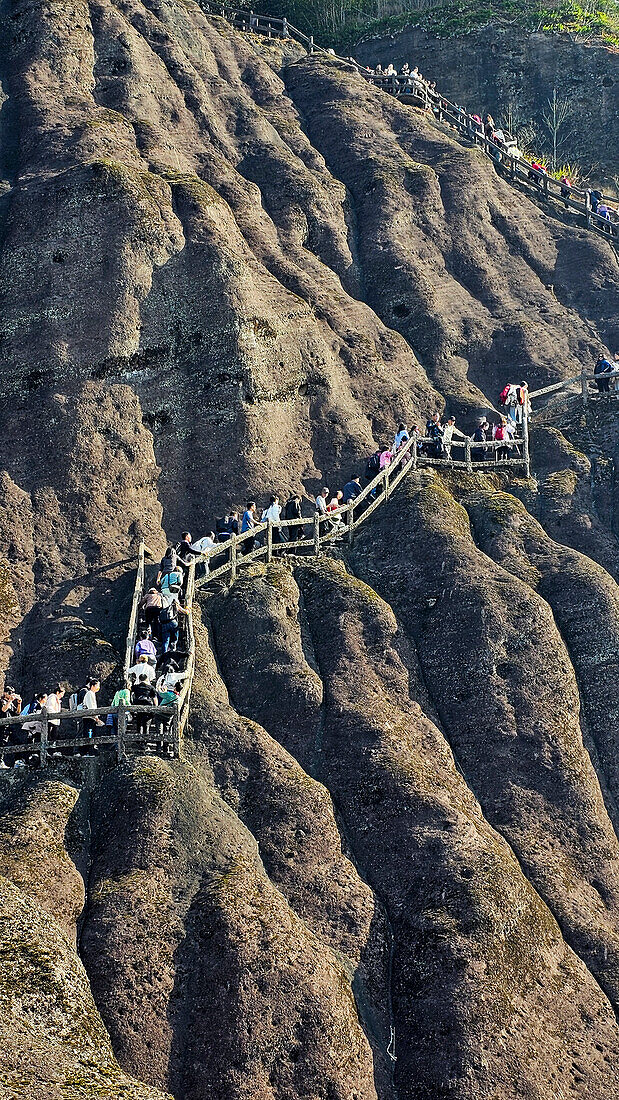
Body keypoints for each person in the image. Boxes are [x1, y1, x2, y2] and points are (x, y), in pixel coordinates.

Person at [130, 673, 158, 749]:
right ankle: (145, 742)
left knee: (139, 724)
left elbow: (131, 695)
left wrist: (132, 704)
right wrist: (155, 709)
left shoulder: (135, 687)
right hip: (148, 708)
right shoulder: (151, 688)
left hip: (138, 708)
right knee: (146, 725)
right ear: (147, 679)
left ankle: (138, 741)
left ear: (139, 679)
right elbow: (155, 699)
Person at [81, 679, 104, 754]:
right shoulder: (90, 693)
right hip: (89, 717)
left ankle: (89, 750)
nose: (98, 687)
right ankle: (87, 751)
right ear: (93, 686)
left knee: (91, 733)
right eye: (97, 685)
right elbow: (91, 707)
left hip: (91, 717)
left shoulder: (92, 694)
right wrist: (96, 717)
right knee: (89, 734)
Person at [46, 685, 65, 754]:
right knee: (51, 737)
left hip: (55, 721)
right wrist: (55, 715)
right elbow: (49, 708)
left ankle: (52, 751)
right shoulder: (52, 697)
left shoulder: (56, 699)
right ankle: (50, 751)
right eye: (62, 693)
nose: (62, 695)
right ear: (58, 692)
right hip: (51, 720)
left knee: (54, 737)